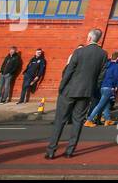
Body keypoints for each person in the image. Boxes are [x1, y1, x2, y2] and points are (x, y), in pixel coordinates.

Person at [46, 29, 109, 159]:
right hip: (86, 92)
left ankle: (51, 150)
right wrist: (92, 89)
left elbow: (69, 71)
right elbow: (101, 76)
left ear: (89, 38)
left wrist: (62, 87)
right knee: (78, 121)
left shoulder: (79, 52)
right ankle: (70, 151)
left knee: (60, 120)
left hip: (70, 90)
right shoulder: (103, 54)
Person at [86, 50, 118, 126]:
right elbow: (117, 77)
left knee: (106, 104)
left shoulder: (107, 64)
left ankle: (108, 119)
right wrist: (116, 86)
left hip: (103, 86)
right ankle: (89, 120)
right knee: (100, 105)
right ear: (117, 58)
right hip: (109, 87)